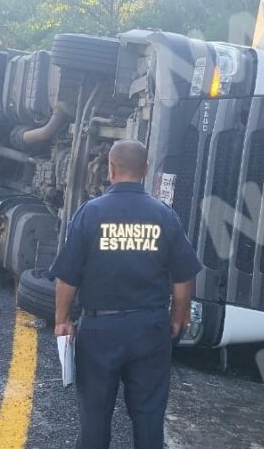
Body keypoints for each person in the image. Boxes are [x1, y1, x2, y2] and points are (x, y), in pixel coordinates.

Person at [49, 139, 202, 449]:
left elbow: (67, 278)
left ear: (110, 168)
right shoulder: (164, 215)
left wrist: (62, 319)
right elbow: (184, 278)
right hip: (150, 328)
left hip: (99, 330)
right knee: (148, 417)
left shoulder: (90, 213)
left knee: (95, 417)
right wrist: (177, 319)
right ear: (145, 170)